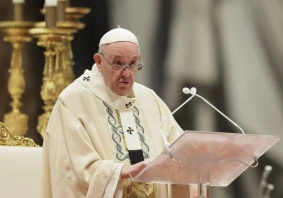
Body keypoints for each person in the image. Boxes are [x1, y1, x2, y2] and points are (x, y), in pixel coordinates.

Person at [42, 27, 191, 198]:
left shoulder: (149, 98)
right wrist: (119, 172)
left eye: (133, 64)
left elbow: (180, 151)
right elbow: (71, 169)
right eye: (118, 64)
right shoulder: (73, 101)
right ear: (99, 62)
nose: (127, 74)